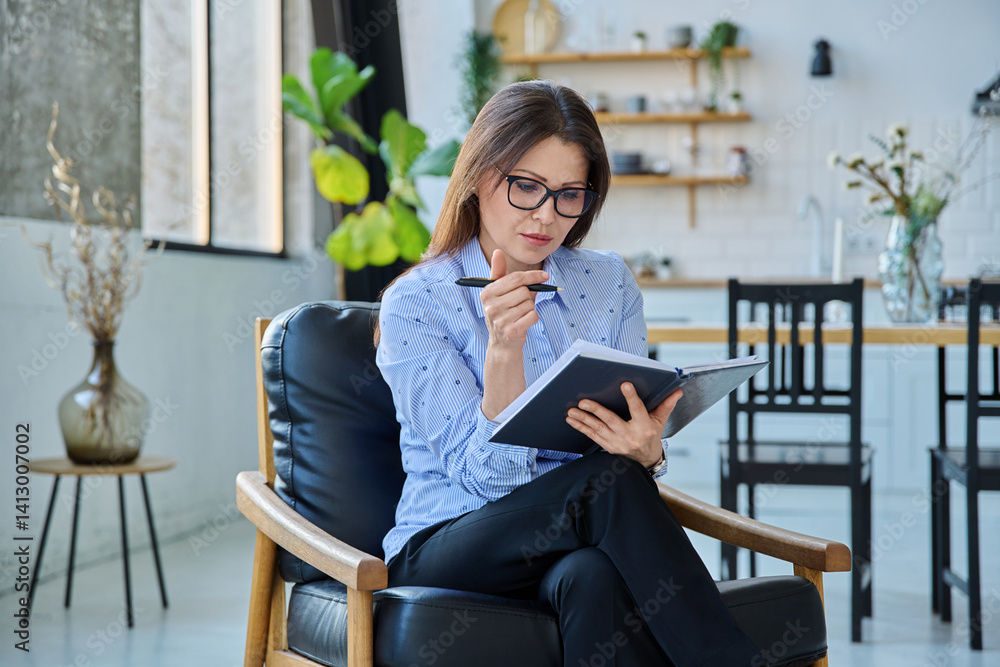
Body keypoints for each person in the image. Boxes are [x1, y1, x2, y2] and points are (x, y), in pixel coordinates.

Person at [375, 80, 761, 666]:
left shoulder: (606, 284)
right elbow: (486, 483)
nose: (545, 215)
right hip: (449, 538)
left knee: (593, 575)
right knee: (604, 485)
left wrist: (646, 451)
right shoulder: (417, 302)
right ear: (481, 177)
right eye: (526, 187)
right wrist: (505, 350)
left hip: (574, 535)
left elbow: (627, 456)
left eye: (568, 194)